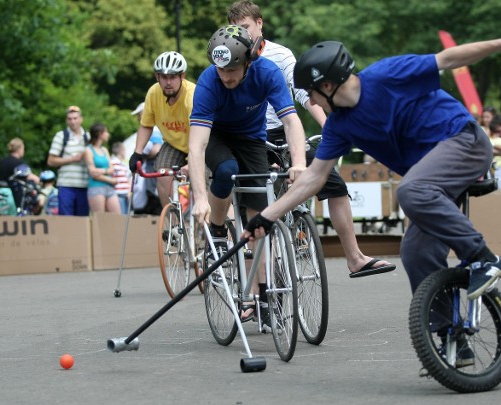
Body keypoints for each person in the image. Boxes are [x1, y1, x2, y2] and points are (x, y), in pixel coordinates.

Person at [244, 23, 501, 306]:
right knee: (415, 253)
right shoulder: (339, 126)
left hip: (464, 142)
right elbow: (314, 177)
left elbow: (448, 58)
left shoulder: (387, 74)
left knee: (410, 190)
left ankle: (483, 257)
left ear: (329, 85)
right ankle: (449, 338)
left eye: (313, 94)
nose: (313, 103)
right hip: (428, 177)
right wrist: (266, 217)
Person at [227, 0, 394, 278]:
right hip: (251, 136)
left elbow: (305, 93)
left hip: (285, 131)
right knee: (252, 198)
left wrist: (329, 126)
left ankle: (354, 257)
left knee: (333, 181)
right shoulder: (233, 59)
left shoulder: (281, 56)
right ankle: (255, 284)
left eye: (245, 27)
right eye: (236, 30)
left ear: (259, 24)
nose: (243, 35)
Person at [188, 25, 308, 328]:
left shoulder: (267, 73)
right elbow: (197, 144)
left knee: (259, 220)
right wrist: (200, 198)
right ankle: (216, 228)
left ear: (249, 62)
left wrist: (299, 163)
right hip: (217, 137)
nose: (226, 76)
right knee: (226, 171)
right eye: (221, 69)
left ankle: (259, 294)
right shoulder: (208, 82)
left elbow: (291, 121)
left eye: (233, 69)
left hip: (252, 138)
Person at [128, 51, 195, 208]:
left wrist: (193, 162)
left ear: (182, 76)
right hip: (174, 143)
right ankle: (174, 224)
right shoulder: (153, 92)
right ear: (157, 77)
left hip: (201, 143)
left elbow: (201, 133)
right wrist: (137, 153)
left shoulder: (191, 95)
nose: (168, 82)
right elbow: (146, 125)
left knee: (203, 182)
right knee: (162, 175)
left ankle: (209, 223)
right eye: (164, 77)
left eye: (172, 77)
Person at [47, 105, 90, 216]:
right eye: (70, 119)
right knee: (67, 220)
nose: (73, 122)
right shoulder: (61, 136)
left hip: (84, 185)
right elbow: (51, 161)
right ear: (66, 120)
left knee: (83, 220)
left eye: (75, 118)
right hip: (66, 185)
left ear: (81, 119)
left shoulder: (88, 137)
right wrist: (72, 159)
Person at [84, 123, 121, 214]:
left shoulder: (104, 150)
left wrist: (100, 171)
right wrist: (109, 176)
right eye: (106, 132)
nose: (108, 134)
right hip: (96, 188)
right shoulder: (88, 150)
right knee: (99, 220)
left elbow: (112, 170)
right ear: (100, 134)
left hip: (110, 188)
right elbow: (92, 173)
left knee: (117, 217)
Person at [0, 137, 40, 209]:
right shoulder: (19, 163)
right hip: (15, 196)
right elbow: (30, 176)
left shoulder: (1, 162)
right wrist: (40, 181)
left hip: (2, 194)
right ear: (19, 149)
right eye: (23, 148)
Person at [110, 142, 131, 214]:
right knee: (121, 215)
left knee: (126, 215)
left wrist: (129, 192)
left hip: (125, 194)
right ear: (121, 151)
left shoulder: (123, 164)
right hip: (118, 194)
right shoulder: (113, 163)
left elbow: (127, 179)